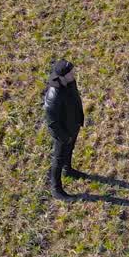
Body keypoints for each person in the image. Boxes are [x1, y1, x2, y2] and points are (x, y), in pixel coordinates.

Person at [43, 59, 85, 200]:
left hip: (73, 126)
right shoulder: (53, 97)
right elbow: (53, 124)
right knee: (58, 159)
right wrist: (64, 137)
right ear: (61, 76)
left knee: (70, 149)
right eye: (70, 72)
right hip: (63, 133)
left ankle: (68, 170)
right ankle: (56, 189)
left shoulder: (69, 81)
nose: (73, 74)